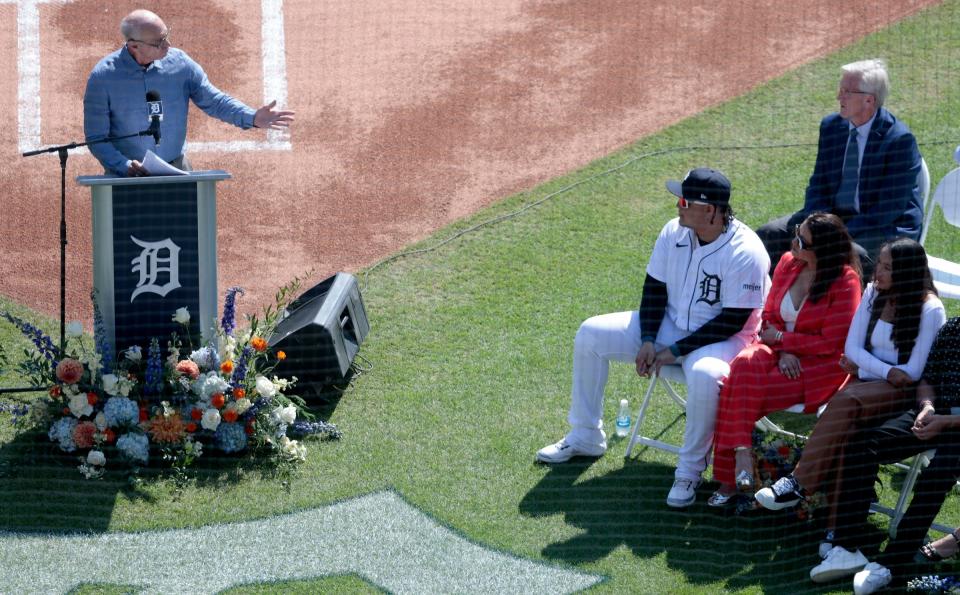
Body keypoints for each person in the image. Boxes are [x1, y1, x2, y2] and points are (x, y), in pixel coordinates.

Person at [535, 167, 771, 508]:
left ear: (710, 210)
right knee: (591, 334)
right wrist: (648, 338)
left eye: (685, 200)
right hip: (670, 325)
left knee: (705, 375)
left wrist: (675, 350)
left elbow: (733, 320)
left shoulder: (745, 251)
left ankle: (689, 472)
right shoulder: (673, 232)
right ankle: (586, 435)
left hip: (723, 340)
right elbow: (654, 289)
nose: (678, 206)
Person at [755, 239, 946, 541]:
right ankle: (834, 530)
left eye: (887, 268)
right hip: (870, 382)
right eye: (879, 264)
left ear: (907, 273)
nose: (878, 272)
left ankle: (798, 482)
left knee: (845, 400)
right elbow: (851, 348)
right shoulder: (873, 293)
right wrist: (878, 370)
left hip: (904, 394)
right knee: (850, 429)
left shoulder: (930, 309)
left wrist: (863, 368)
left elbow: (913, 373)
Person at [707, 213, 861, 507]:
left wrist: (781, 340)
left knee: (735, 389)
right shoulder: (789, 262)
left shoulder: (845, 282)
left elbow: (831, 344)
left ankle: (730, 480)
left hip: (815, 369)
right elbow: (769, 316)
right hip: (779, 353)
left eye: (802, 241)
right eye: (796, 233)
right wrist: (783, 348)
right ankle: (741, 451)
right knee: (744, 364)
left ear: (823, 251)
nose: (794, 242)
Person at [804, 317, 960, 593]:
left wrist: (946, 422)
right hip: (936, 414)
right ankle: (848, 544)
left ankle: (892, 563)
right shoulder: (954, 328)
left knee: (937, 475)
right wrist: (927, 406)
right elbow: (928, 378)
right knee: (863, 445)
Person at [756, 59, 923, 278]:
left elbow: (887, 209)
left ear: (869, 100)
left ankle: (844, 310)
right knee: (770, 234)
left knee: (851, 253)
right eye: (840, 89)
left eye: (847, 92)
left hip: (883, 227)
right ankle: (772, 306)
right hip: (835, 219)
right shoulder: (832, 127)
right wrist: (816, 222)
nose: (839, 97)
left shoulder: (899, 140)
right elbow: (819, 183)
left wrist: (837, 234)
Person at [83, 9, 295, 177]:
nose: (168, 45)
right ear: (134, 46)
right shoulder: (102, 78)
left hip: (177, 170)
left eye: (166, 36)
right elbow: (97, 138)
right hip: (127, 178)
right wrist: (124, 165)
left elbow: (214, 101)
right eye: (158, 42)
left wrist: (252, 117)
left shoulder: (180, 64)